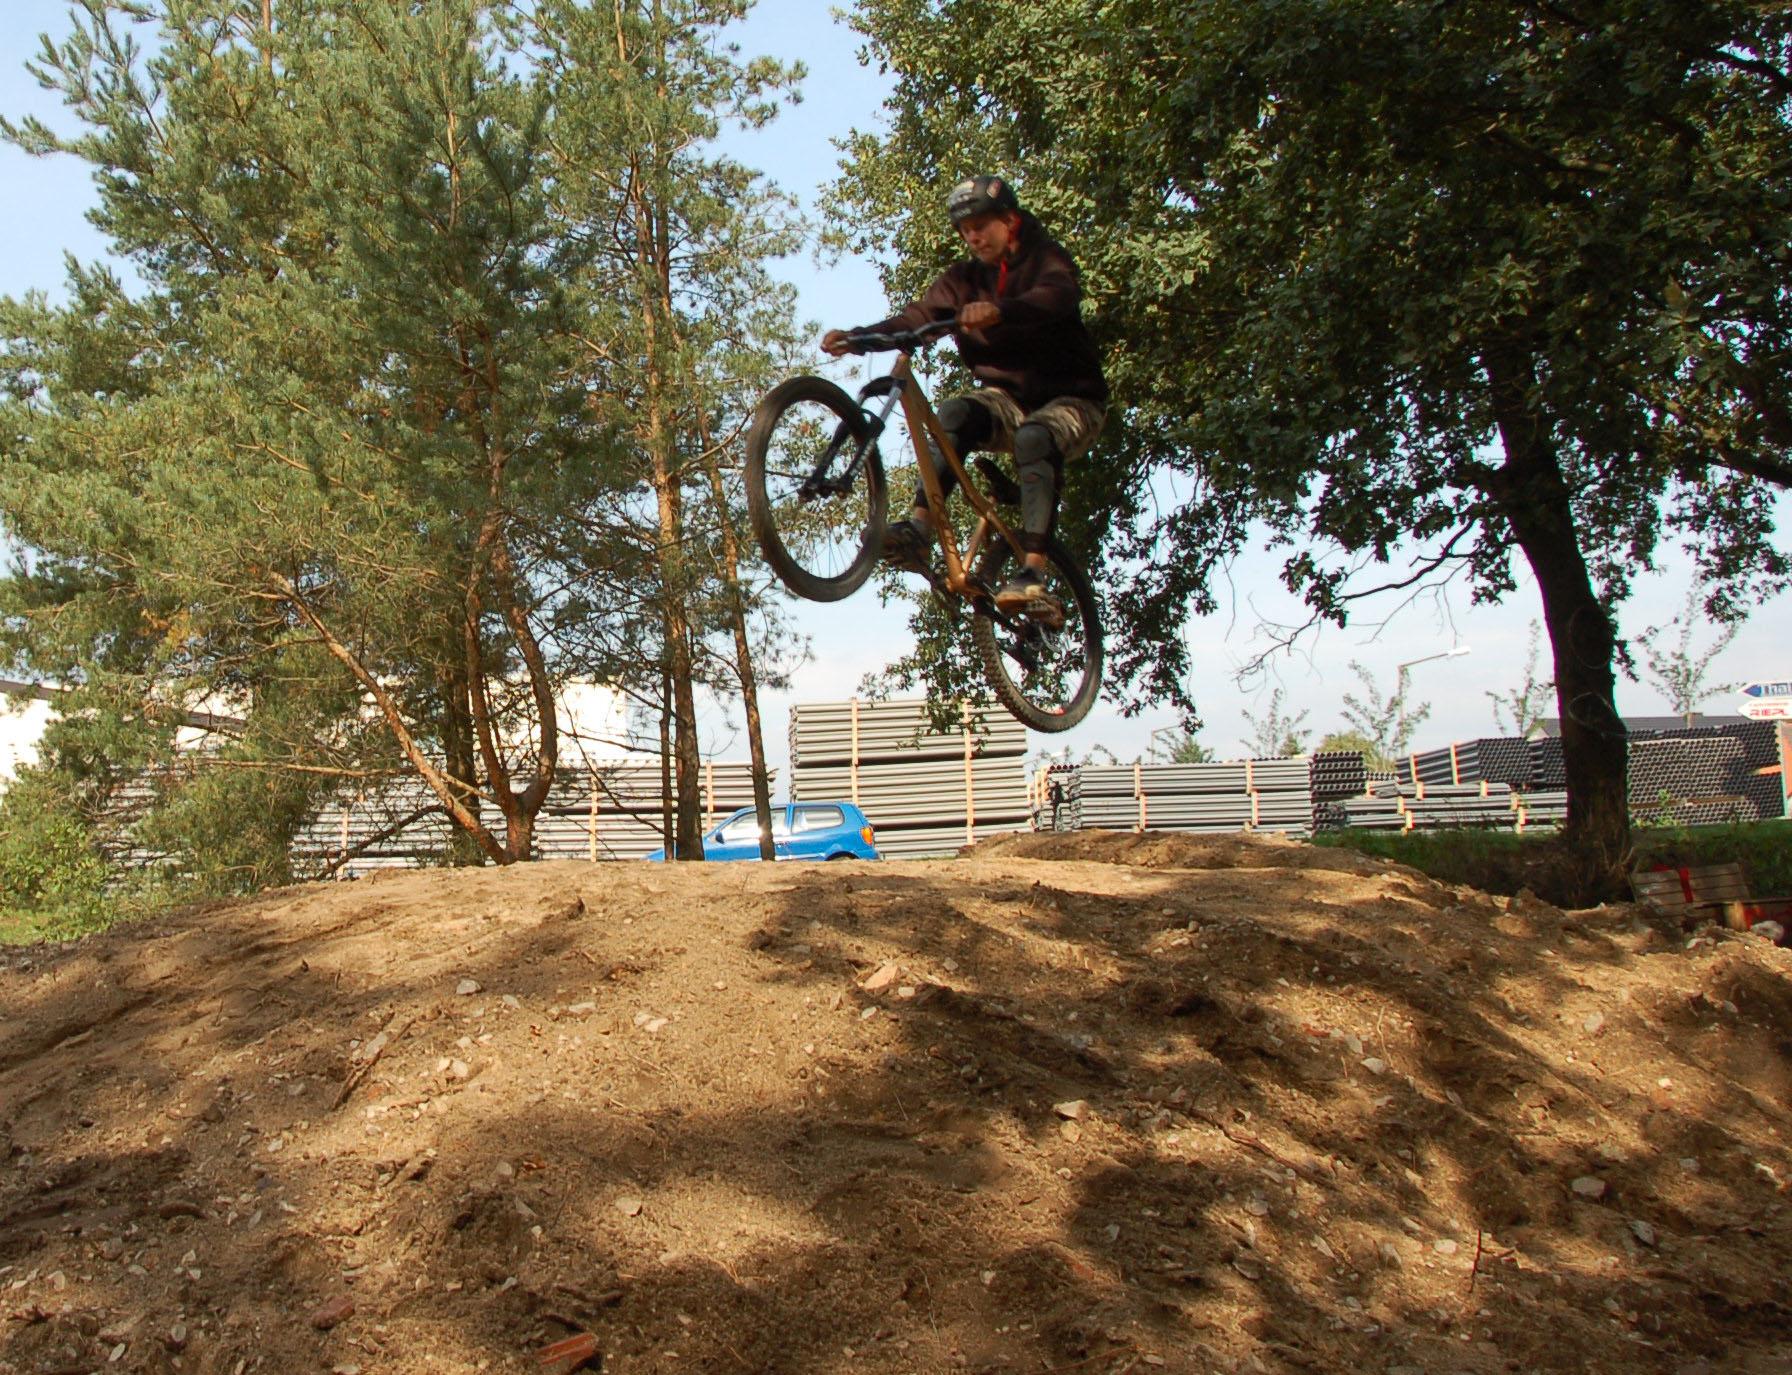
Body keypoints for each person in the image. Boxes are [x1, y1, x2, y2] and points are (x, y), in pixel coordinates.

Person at [822, 174, 1107, 622]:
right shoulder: (963, 280)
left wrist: (1002, 310)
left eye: (982, 226)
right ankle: (919, 527)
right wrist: (859, 339)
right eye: (965, 230)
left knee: (1035, 437)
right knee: (953, 412)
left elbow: (1058, 295)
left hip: (1074, 401)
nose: (973, 236)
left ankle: (1032, 571)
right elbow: (917, 317)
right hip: (1007, 402)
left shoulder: (1045, 260)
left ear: (1009, 221)